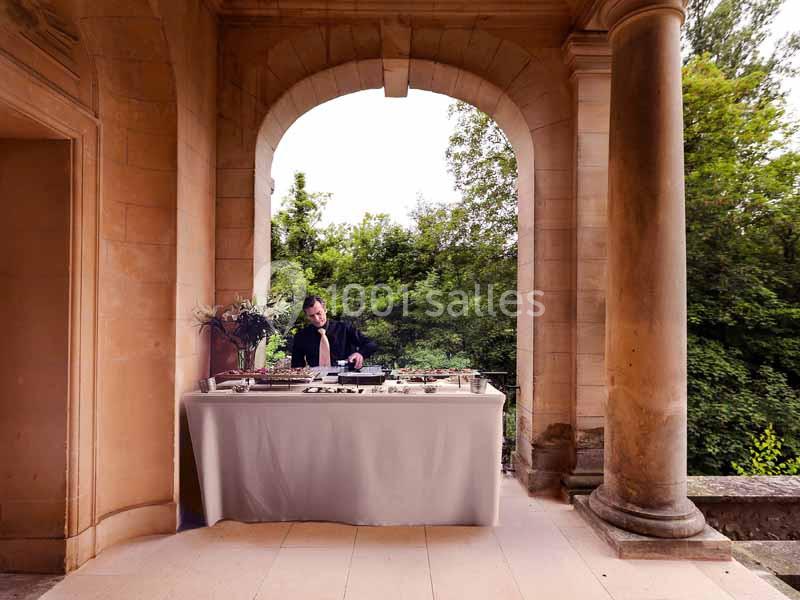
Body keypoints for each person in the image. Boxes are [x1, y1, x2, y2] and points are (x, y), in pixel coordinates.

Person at [291, 295, 378, 369]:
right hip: (316, 381)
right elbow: (297, 366)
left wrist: (360, 354)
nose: (317, 319)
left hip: (346, 378)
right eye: (311, 316)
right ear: (307, 316)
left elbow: (371, 344)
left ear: (325, 310)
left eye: (319, 313)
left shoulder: (345, 328)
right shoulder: (301, 337)